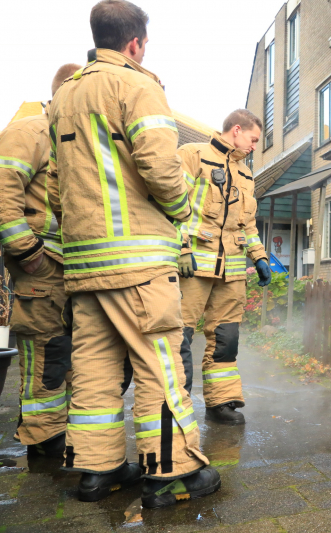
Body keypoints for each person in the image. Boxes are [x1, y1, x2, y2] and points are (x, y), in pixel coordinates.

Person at [47, 0, 219, 508]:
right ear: (136, 43)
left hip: (84, 264)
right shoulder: (138, 85)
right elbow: (161, 168)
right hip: (139, 261)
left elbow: (56, 185)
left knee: (94, 366)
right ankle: (171, 474)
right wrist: (183, 209)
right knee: (159, 364)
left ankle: (97, 471)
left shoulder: (63, 96)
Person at [0, 63, 80, 458]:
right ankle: (43, 437)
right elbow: (2, 190)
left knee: (60, 351)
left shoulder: (65, 138)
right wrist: (27, 252)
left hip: (64, 267)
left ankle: (48, 429)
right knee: (45, 352)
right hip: (41, 266)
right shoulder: (31, 132)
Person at [177, 109, 271, 425]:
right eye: (253, 139)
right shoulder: (193, 155)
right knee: (179, 336)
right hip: (193, 267)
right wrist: (181, 248)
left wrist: (259, 257)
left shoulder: (246, 175)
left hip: (232, 270)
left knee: (226, 338)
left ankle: (221, 402)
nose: (255, 146)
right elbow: (172, 205)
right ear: (237, 130)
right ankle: (176, 403)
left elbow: (248, 224)